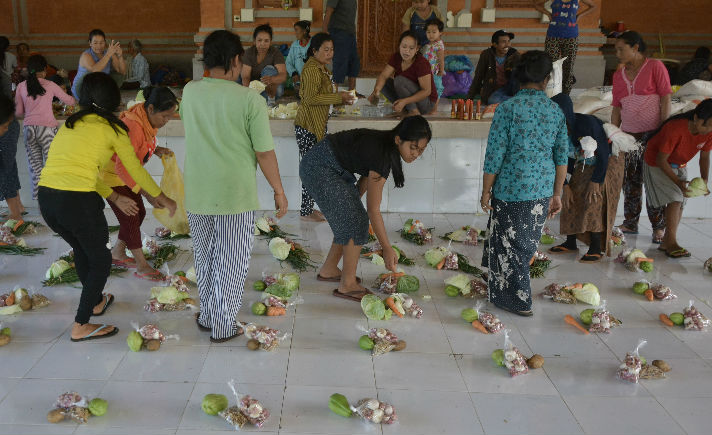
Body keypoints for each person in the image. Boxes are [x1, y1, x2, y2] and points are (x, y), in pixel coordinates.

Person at [38, 72, 176, 342]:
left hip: (48, 200)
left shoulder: (71, 124)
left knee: (82, 249)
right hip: (78, 202)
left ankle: (96, 301)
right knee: (101, 260)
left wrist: (113, 197)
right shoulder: (114, 129)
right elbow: (134, 168)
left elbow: (84, 172)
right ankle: (81, 323)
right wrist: (161, 196)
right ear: (114, 100)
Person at [181, 30, 288, 342]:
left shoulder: (190, 91)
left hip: (198, 189)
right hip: (233, 193)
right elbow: (264, 152)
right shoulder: (249, 100)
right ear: (234, 61)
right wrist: (278, 190)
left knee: (204, 256)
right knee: (231, 261)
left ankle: (208, 315)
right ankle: (223, 327)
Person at [300, 116, 431, 301]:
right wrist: (386, 248)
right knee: (356, 221)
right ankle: (347, 284)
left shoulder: (386, 146)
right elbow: (373, 210)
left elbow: (365, 179)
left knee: (352, 218)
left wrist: (351, 207)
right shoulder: (383, 155)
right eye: (413, 147)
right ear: (398, 140)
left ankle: (329, 269)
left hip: (322, 165)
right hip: (319, 167)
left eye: (421, 150)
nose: (416, 154)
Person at [480, 50, 568, 317]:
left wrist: (486, 190)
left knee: (511, 246)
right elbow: (561, 157)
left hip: (510, 189)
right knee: (521, 244)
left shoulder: (507, 109)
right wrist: (557, 194)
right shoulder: (555, 111)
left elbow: (495, 154)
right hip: (541, 191)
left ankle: (519, 300)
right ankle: (497, 286)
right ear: (547, 79)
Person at [102, 86, 177, 280]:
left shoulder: (144, 118)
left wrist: (156, 149)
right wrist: (148, 194)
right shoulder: (134, 125)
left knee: (138, 213)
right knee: (132, 214)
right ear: (151, 109)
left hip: (124, 174)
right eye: (165, 116)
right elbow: (123, 167)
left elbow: (137, 148)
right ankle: (142, 265)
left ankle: (118, 253)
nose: (166, 121)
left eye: (170, 117)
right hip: (112, 175)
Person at [549, 94, 625, 262]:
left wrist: (596, 181)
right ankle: (570, 243)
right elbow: (560, 160)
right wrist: (565, 185)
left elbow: (604, 153)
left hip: (609, 160)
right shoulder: (551, 132)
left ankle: (596, 247)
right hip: (583, 161)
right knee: (571, 196)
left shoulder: (586, 124)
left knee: (594, 197)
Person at [612, 31, 672, 243]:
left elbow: (665, 98)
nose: (617, 53)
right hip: (628, 136)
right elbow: (617, 108)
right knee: (630, 181)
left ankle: (659, 227)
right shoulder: (618, 75)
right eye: (616, 49)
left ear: (635, 47)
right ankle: (630, 222)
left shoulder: (655, 66)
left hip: (652, 134)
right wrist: (614, 133)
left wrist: (663, 129)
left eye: (621, 49)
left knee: (652, 181)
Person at [294, 33, 356, 223]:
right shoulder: (312, 69)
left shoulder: (321, 68)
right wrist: (339, 98)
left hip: (317, 126)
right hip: (308, 127)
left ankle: (310, 209)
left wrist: (341, 100)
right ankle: (306, 211)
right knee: (311, 169)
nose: (330, 53)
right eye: (326, 50)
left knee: (315, 168)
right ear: (315, 51)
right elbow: (310, 99)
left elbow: (322, 97)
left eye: (332, 50)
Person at [642, 100, 712, 258]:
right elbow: (661, 160)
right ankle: (672, 242)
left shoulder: (709, 133)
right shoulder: (675, 129)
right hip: (656, 162)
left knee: (681, 201)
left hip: (679, 164)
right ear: (696, 118)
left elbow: (705, 156)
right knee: (676, 198)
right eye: (707, 125)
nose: (709, 130)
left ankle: (667, 242)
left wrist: (704, 180)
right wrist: (678, 182)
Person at [14, 55, 76, 200]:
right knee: (51, 168)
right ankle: (52, 201)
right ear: (44, 70)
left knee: (35, 169)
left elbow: (18, 112)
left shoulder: (21, 86)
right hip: (47, 130)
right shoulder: (50, 85)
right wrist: (66, 90)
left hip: (29, 130)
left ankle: (41, 203)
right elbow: (71, 102)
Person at [368, 31, 437, 116]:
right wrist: (376, 91)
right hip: (409, 100)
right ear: (399, 46)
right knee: (384, 83)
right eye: (404, 46)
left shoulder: (421, 63)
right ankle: (404, 110)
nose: (406, 51)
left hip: (426, 103)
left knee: (399, 80)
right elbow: (383, 75)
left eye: (411, 48)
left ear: (417, 49)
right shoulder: (396, 57)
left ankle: (414, 112)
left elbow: (426, 91)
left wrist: (405, 101)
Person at [535, 0, 596, 95]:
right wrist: (548, 14)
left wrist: (579, 16)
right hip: (553, 36)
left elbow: (593, 6)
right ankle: (549, 94)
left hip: (571, 37)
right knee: (550, 66)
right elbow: (536, 4)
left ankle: (565, 96)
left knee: (568, 67)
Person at [467, 30, 520, 105]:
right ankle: (517, 101)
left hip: (511, 88)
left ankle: (517, 100)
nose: (507, 45)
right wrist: (470, 98)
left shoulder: (515, 55)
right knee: (493, 101)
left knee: (516, 72)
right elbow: (478, 76)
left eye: (509, 41)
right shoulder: (486, 55)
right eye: (504, 42)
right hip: (494, 90)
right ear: (495, 44)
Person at [71, 29, 126, 100]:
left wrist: (120, 56)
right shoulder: (86, 55)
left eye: (101, 42)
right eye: (95, 43)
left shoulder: (108, 53)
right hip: (82, 90)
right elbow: (95, 71)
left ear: (105, 43)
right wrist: (108, 54)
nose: (99, 46)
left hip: (97, 89)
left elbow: (122, 72)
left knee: (117, 76)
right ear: (90, 43)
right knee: (91, 75)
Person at [240, 24, 287, 105]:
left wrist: (271, 79)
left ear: (270, 41)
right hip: (254, 89)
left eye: (266, 41)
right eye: (259, 40)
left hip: (272, 89)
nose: (262, 44)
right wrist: (249, 95)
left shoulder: (275, 53)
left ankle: (271, 100)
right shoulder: (249, 53)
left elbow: (283, 75)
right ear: (254, 41)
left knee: (269, 69)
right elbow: (245, 77)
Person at [323, 0, 359, 90]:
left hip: (350, 33)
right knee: (340, 62)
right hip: (338, 32)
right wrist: (324, 30)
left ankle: (352, 92)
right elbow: (329, 10)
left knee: (354, 62)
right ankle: (334, 94)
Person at [0, 94, 25, 223]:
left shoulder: (7, 127)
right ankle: (17, 209)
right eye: (5, 126)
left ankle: (16, 213)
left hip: (5, 117)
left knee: (6, 166)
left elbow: (5, 169)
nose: (6, 129)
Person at [422, 18, 445, 101]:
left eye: (434, 32)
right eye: (428, 32)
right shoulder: (429, 44)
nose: (431, 35)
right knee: (427, 90)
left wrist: (441, 71)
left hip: (435, 73)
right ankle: (429, 107)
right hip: (427, 72)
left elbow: (441, 59)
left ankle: (434, 109)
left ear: (440, 33)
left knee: (436, 90)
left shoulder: (438, 45)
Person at [286, 20, 311, 95]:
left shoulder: (313, 43)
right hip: (298, 81)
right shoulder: (294, 45)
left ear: (304, 31)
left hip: (312, 80)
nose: (295, 33)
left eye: (297, 30)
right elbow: (288, 62)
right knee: (300, 95)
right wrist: (294, 73)